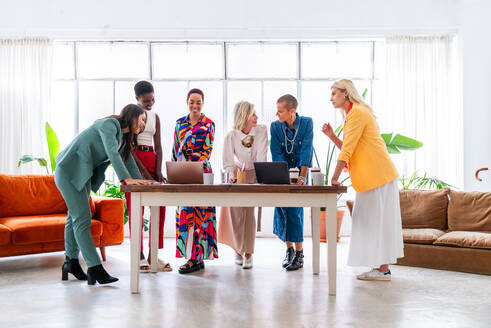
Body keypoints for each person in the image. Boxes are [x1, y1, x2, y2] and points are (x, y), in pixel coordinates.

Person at [55, 104, 153, 285]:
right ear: (133, 115)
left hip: (81, 174)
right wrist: (126, 179)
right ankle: (95, 267)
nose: (143, 124)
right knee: (82, 219)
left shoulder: (122, 139)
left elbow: (128, 159)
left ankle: (71, 263)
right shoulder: (110, 125)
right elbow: (111, 152)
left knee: (74, 217)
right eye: (142, 119)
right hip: (68, 170)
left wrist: (141, 182)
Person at [323, 79, 404, 281]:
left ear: (345, 93)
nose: (331, 98)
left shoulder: (357, 113)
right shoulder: (354, 114)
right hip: (375, 177)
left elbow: (348, 150)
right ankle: (381, 268)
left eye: (334, 93)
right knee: (369, 221)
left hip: (378, 176)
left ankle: (383, 269)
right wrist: (332, 136)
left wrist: (333, 177)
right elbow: (353, 147)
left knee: (374, 222)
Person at [124, 81, 170, 273]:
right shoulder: (130, 115)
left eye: (152, 99)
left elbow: (158, 145)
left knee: (159, 207)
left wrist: (158, 170)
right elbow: (129, 145)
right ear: (137, 99)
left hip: (151, 159)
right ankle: (139, 255)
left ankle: (153, 254)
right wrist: (141, 170)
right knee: (137, 208)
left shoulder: (155, 117)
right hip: (134, 161)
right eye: (146, 101)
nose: (150, 103)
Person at [172, 88, 218, 274]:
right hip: (182, 173)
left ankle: (197, 258)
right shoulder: (179, 123)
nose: (195, 105)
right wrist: (175, 170)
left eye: (198, 102)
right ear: (187, 102)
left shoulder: (209, 124)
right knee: (185, 214)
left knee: (202, 215)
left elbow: (207, 151)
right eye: (192, 101)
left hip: (201, 173)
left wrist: (192, 158)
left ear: (203, 103)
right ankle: (192, 257)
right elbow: (175, 150)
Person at [218, 101, 268, 269]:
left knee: (248, 214)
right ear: (244, 116)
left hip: (255, 173)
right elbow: (227, 161)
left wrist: (262, 177)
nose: (256, 117)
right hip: (238, 175)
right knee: (236, 214)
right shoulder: (231, 135)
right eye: (253, 114)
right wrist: (231, 176)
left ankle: (249, 252)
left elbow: (261, 156)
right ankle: (238, 250)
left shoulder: (261, 131)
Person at [270, 94, 313, 271]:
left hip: (301, 173)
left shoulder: (306, 123)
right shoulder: (275, 127)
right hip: (282, 172)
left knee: (295, 210)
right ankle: (289, 251)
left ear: (291, 111)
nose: (277, 114)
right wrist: (283, 175)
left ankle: (299, 253)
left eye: (280, 111)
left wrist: (301, 177)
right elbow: (276, 153)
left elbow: (306, 150)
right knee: (281, 209)